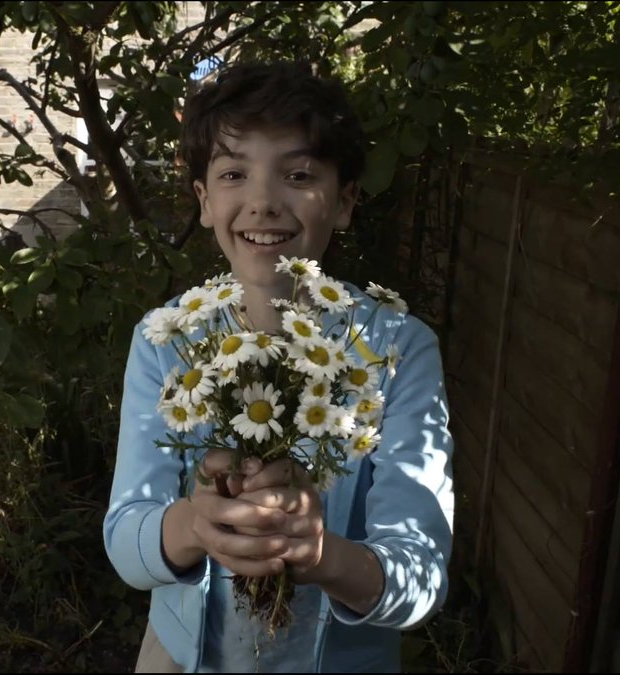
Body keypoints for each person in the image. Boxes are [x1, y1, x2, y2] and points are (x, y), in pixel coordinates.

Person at [103, 61, 454, 673]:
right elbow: (126, 541)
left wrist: (318, 554)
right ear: (204, 201)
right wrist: (194, 524)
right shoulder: (168, 340)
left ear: (344, 202)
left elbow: (420, 580)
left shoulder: (397, 351)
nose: (263, 202)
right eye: (234, 173)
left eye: (297, 174)